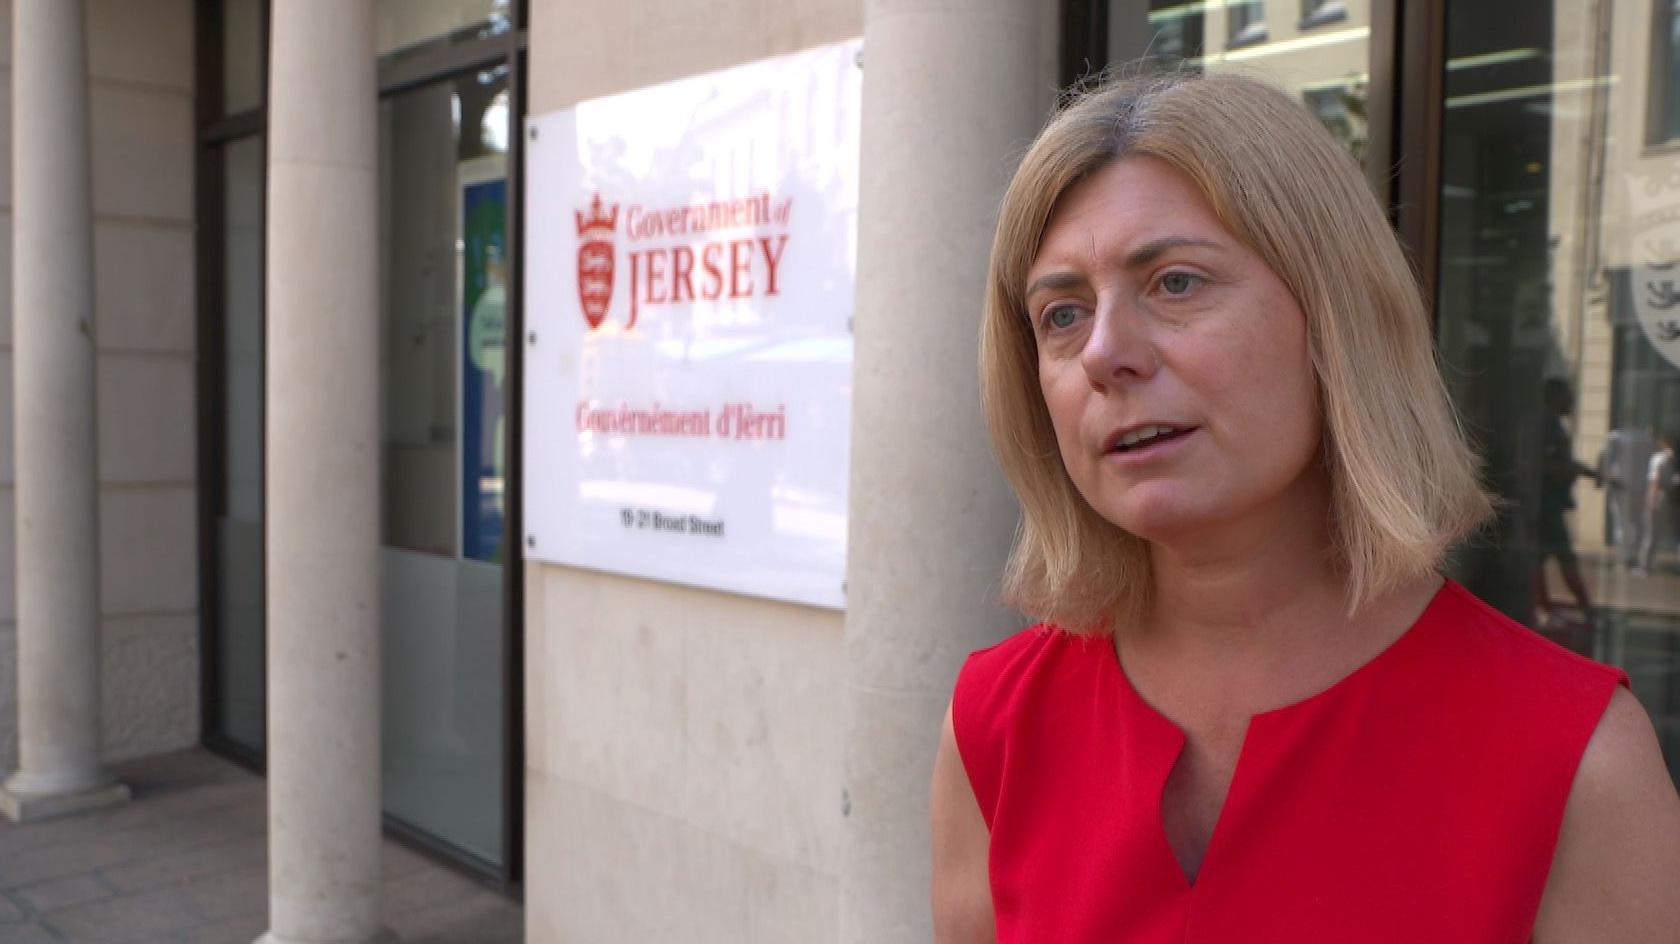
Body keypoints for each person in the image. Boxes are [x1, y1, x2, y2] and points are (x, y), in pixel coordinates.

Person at [930, 70, 1680, 943]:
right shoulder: (995, 726)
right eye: (1061, 314)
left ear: (1336, 316)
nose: (1104, 352)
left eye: (1175, 283)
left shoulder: (1575, 761)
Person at [1532, 377, 1600, 630]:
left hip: (1549, 502)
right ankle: (1575, 607)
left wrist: (1587, 472)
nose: (1572, 401)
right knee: (1558, 555)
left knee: (1544, 557)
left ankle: (1546, 607)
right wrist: (1572, 471)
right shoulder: (1549, 425)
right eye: (1567, 395)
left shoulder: (1552, 424)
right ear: (1554, 396)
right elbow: (1549, 464)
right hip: (1547, 503)